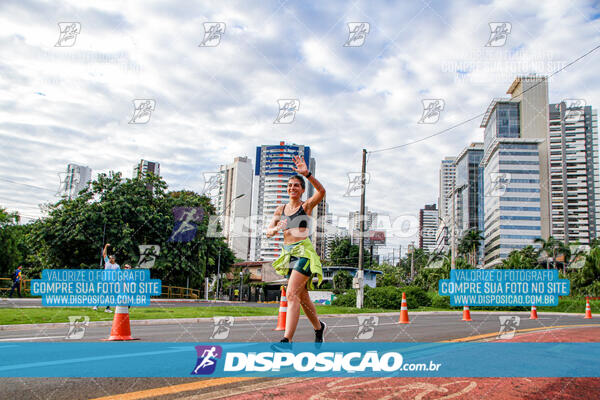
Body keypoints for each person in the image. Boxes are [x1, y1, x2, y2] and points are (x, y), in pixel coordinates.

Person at [268, 155, 326, 345]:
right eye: (290, 185)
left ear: (302, 190)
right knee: (303, 297)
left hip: (304, 253)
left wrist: (307, 174)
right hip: (289, 255)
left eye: (296, 185)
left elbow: (322, 191)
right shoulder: (281, 209)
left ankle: (287, 340)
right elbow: (269, 232)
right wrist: (276, 229)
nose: (292, 188)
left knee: (291, 294)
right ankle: (319, 328)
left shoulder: (306, 206)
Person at [93, 243, 120, 313]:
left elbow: (119, 275)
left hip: (112, 283)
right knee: (103, 294)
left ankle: (107, 308)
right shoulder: (107, 262)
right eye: (110, 258)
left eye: (112, 258)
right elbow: (104, 254)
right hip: (105, 281)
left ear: (114, 259)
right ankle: (96, 306)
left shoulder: (117, 266)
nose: (110, 259)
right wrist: (105, 246)